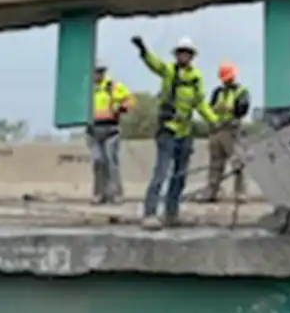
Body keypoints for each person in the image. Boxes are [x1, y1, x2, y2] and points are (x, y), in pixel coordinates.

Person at [132, 33, 218, 229]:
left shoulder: (196, 78)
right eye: (181, 53)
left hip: (185, 132)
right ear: (177, 55)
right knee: (161, 173)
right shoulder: (169, 71)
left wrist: (214, 120)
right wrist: (143, 51)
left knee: (179, 177)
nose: (184, 57)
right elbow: (155, 64)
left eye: (187, 53)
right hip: (167, 131)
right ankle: (150, 213)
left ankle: (171, 214)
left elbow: (200, 103)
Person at [200, 61, 251, 203]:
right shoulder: (218, 92)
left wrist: (231, 108)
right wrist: (216, 110)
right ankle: (212, 191)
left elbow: (243, 108)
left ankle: (240, 193)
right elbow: (209, 108)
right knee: (215, 164)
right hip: (217, 130)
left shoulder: (241, 91)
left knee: (237, 162)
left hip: (231, 130)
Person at [89, 61, 133, 204]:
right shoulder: (87, 89)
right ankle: (99, 194)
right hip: (92, 131)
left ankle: (115, 194)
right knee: (98, 161)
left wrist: (120, 108)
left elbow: (128, 101)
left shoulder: (112, 87)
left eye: (100, 71)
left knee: (111, 161)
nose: (97, 74)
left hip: (111, 129)